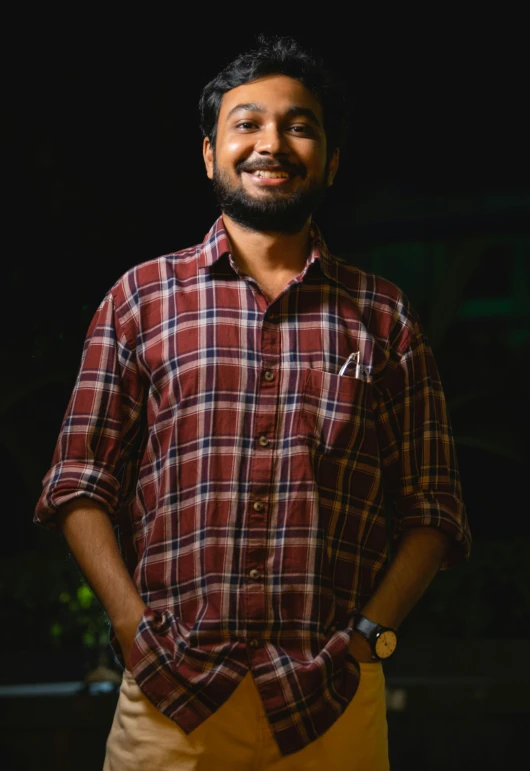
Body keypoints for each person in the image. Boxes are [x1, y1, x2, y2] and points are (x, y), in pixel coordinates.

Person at [35, 35, 471, 770]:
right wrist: (133, 627)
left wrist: (368, 638)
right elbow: (79, 482)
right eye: (247, 123)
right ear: (210, 153)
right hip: (171, 698)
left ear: (330, 160)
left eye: (299, 125)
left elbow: (433, 506)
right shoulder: (139, 300)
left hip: (332, 699)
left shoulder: (384, 316)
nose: (272, 141)